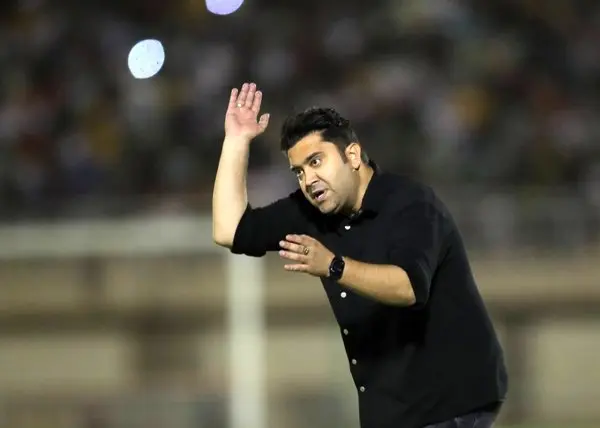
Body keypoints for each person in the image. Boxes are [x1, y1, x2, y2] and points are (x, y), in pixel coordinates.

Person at [212, 82, 508, 428]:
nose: (308, 179)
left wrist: (333, 265)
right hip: (392, 411)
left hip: (452, 402)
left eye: (316, 161)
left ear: (352, 156)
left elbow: (409, 287)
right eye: (299, 171)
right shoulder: (311, 211)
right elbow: (229, 230)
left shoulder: (410, 203)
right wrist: (236, 141)